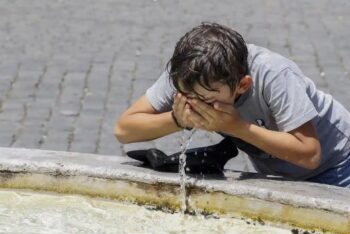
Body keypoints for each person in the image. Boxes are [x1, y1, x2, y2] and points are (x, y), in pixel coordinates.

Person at [115, 22, 350, 188]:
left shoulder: (274, 75)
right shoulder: (188, 74)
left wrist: (237, 127)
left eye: (207, 99)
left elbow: (310, 154)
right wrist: (177, 119)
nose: (195, 102)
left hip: (339, 165)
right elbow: (124, 130)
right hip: (279, 173)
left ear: (243, 85)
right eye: (186, 95)